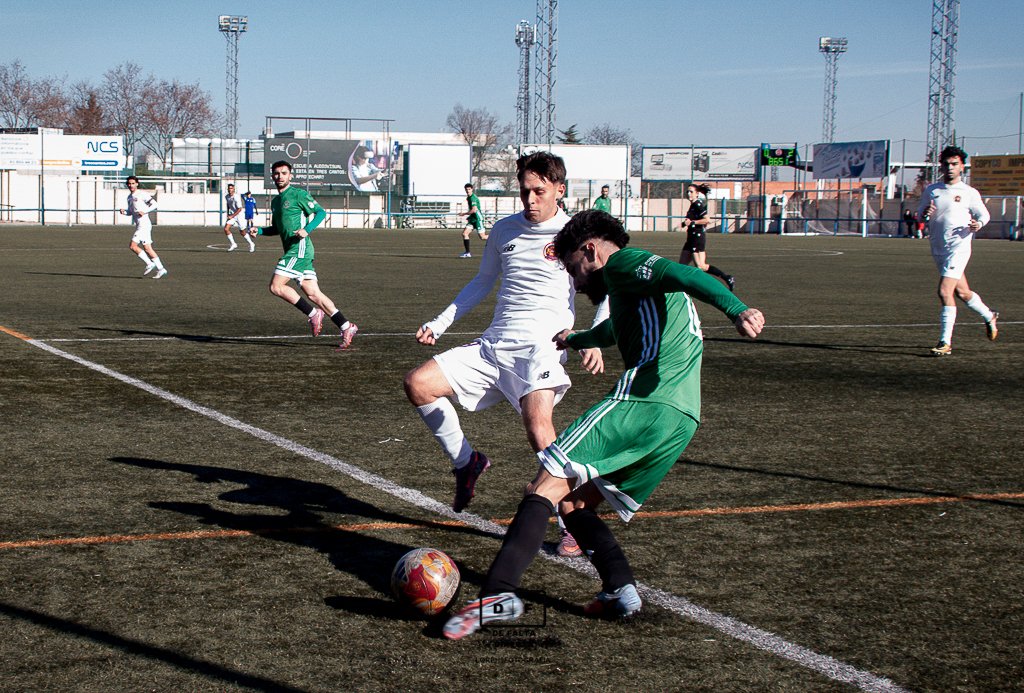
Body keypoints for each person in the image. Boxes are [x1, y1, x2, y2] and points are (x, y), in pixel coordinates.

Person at [442, 209, 765, 640]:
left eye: (573, 267)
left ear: (591, 251)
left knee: (545, 486)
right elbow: (615, 330)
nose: (574, 281)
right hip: (682, 418)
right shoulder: (634, 291)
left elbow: (692, 277)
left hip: (645, 402)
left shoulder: (627, 263)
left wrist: (738, 310)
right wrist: (577, 340)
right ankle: (620, 590)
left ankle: (499, 594)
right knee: (574, 503)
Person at [403, 152, 608, 558]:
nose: (530, 199)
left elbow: (606, 288)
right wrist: (441, 323)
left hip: (541, 349)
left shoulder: (573, 233)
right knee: (419, 384)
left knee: (540, 432)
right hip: (495, 345)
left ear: (559, 191)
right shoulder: (503, 230)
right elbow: (482, 281)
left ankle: (574, 524)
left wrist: (594, 337)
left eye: (539, 191)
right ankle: (467, 462)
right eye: (525, 191)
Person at [253, 160, 358, 350]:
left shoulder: (298, 194)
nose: (280, 177)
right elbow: (277, 228)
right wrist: (259, 231)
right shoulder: (276, 202)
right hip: (294, 250)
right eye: (276, 173)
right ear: (272, 176)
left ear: (290, 175)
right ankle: (346, 326)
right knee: (314, 294)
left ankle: (313, 314)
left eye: (284, 173)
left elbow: (320, 212)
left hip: (299, 249)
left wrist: (306, 229)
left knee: (276, 286)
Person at [917, 145, 998, 357]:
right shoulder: (932, 190)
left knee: (944, 291)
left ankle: (945, 342)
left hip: (959, 247)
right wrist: (925, 213)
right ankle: (989, 316)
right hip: (938, 248)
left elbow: (984, 215)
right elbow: (920, 216)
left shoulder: (969, 192)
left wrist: (978, 224)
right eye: (946, 164)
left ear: (962, 167)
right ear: (941, 166)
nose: (950, 168)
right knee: (962, 293)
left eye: (954, 164)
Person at [678, 183, 734, 291]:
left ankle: (726, 278)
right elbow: (691, 221)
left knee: (701, 266)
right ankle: (682, 289)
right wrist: (685, 223)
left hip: (697, 238)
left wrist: (693, 222)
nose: (688, 193)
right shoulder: (692, 205)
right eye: (687, 191)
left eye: (691, 192)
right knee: (681, 266)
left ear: (697, 194)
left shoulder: (698, 204)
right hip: (690, 238)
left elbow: (707, 220)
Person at [119, 175, 167, 279]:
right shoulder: (129, 197)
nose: (131, 185)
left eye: (133, 183)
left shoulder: (142, 194)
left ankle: (149, 264)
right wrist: (125, 212)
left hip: (144, 224)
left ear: (137, 184)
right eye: (129, 183)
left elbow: (155, 204)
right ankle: (161, 269)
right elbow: (131, 212)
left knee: (133, 246)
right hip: (140, 224)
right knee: (148, 249)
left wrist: (144, 211)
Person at [459, 183, 489, 258]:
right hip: (472, 219)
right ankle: (467, 252)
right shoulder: (469, 198)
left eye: (469, 189)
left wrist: (464, 213)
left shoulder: (473, 198)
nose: (467, 191)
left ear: (472, 189)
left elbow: (474, 210)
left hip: (477, 219)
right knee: (465, 234)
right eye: (466, 189)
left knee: (483, 237)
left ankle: (497, 237)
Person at [223, 183, 255, 252]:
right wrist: (228, 213)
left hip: (239, 215)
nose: (230, 190)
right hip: (233, 215)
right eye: (229, 188)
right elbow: (228, 205)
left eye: (231, 188)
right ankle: (233, 244)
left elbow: (240, 209)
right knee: (226, 229)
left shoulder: (236, 197)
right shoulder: (226, 197)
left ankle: (251, 243)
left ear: (234, 189)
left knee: (242, 232)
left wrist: (232, 215)